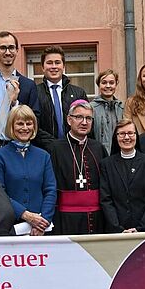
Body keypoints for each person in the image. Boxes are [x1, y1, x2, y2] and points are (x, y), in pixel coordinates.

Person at [0, 31, 54, 150]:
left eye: (11, 48)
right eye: (2, 48)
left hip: (20, 147)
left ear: (17, 50)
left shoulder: (29, 85)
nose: (7, 52)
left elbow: (35, 119)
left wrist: (15, 103)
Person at [0, 105, 56, 236]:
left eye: (29, 123)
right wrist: (25, 215)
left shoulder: (44, 156)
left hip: (41, 228)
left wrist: (43, 222)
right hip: (10, 226)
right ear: (11, 126)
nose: (25, 128)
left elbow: (50, 190)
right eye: (20, 123)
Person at [50, 100, 108, 234]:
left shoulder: (98, 147)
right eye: (79, 117)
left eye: (88, 118)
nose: (84, 122)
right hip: (65, 218)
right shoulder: (55, 148)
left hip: (97, 217)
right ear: (69, 120)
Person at [100, 119, 145, 232]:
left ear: (136, 136)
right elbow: (106, 200)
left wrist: (141, 228)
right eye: (122, 134)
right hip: (116, 232)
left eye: (130, 133)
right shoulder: (106, 164)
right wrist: (118, 229)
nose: (126, 138)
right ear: (116, 137)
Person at [36, 45, 88, 139]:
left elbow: (86, 122)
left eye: (57, 62)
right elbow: (33, 124)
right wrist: (53, 145)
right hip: (45, 149)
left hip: (72, 148)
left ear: (63, 66)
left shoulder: (79, 93)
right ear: (43, 67)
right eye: (49, 63)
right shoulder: (35, 92)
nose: (54, 66)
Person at [90, 69, 124, 153]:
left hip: (119, 155)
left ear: (116, 84)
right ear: (98, 85)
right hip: (98, 153)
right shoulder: (91, 108)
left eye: (111, 83)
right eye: (104, 82)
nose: (108, 86)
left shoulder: (122, 108)